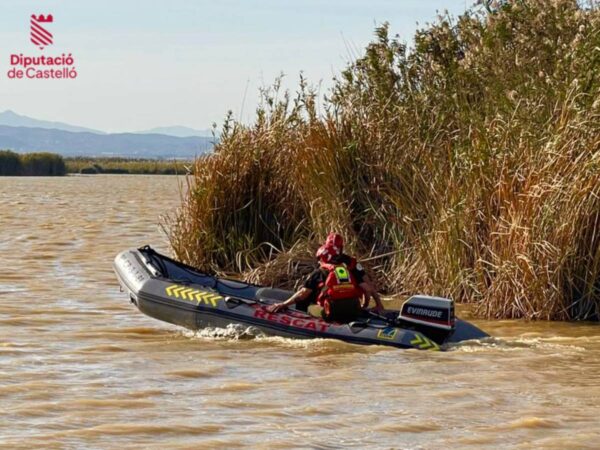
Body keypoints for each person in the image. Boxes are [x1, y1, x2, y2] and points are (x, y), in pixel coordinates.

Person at [267, 233, 384, 322]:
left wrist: (283, 304)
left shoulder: (323, 270)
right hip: (353, 306)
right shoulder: (346, 267)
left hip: (334, 309)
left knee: (306, 296)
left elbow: (303, 293)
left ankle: (301, 320)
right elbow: (367, 287)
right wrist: (366, 305)